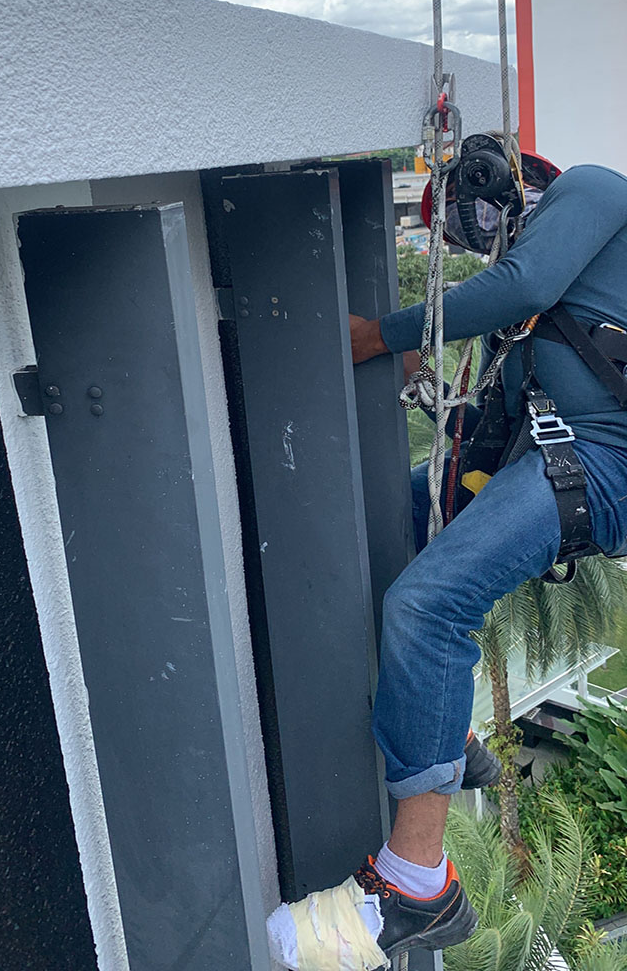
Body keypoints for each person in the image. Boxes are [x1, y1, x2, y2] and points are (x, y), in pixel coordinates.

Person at [267, 157, 627, 970]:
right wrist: (423, 374)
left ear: (515, 184)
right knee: (396, 515)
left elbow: (523, 283)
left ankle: (418, 882)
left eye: (473, 217)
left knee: (428, 604)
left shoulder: (596, 188)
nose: (477, 238)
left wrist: (380, 334)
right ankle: (443, 729)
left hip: (600, 456)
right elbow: (505, 385)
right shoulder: (558, 296)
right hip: (561, 449)